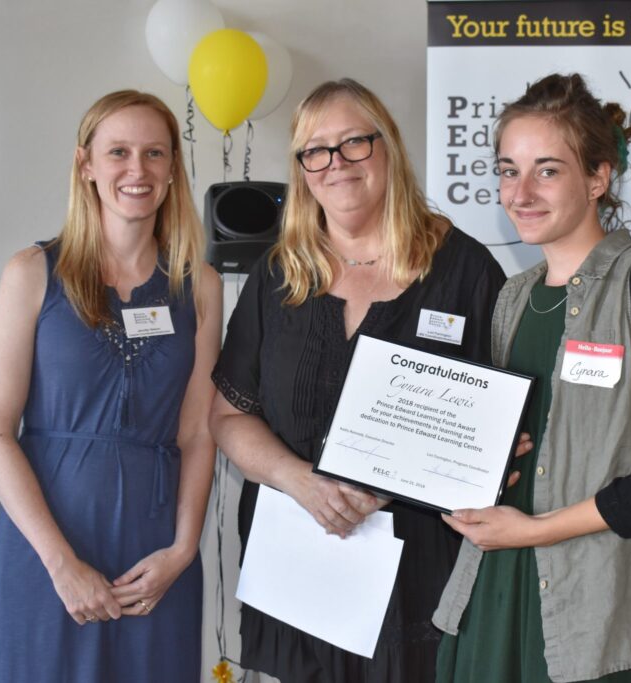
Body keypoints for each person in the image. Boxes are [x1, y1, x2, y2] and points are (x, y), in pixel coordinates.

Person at [434, 73, 631, 683]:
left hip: (608, 608)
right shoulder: (513, 297)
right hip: (498, 586)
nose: (521, 193)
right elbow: (522, 442)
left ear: (598, 178)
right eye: (509, 170)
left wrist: (539, 530)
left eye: (547, 171)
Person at [208, 78, 507, 682]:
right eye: (315, 151)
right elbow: (229, 415)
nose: (336, 163)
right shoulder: (280, 274)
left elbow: (501, 427)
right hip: (297, 573)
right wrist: (299, 480)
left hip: (418, 580)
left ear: (387, 146)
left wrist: (407, 478)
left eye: (353, 142)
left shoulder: (465, 270)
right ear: (301, 169)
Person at [0, 90, 221, 682]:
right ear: (85, 164)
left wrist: (183, 550)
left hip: (155, 560)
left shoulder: (201, 285)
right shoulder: (32, 273)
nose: (138, 169)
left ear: (172, 168)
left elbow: (198, 433)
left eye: (154, 153)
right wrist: (61, 564)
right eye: (118, 152)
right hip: (47, 552)